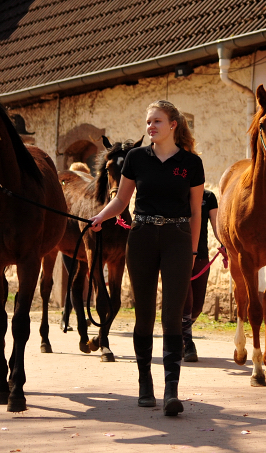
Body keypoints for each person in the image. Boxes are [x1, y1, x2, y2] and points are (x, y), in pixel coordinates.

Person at [90, 100, 204, 416]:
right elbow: (122, 199)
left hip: (178, 239)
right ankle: (145, 383)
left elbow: (195, 211)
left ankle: (171, 390)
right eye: (148, 122)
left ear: (173, 125)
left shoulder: (192, 163)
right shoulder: (137, 159)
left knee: (172, 316)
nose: (150, 126)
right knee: (144, 316)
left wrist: (193, 250)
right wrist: (99, 217)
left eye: (156, 121)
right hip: (141, 237)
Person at [182, 189, 220, 362]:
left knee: (197, 306)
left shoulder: (208, 197)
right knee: (186, 302)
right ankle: (187, 342)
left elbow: (216, 224)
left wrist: (225, 242)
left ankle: (180, 333)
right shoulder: (177, 192)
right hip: (178, 255)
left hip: (201, 256)